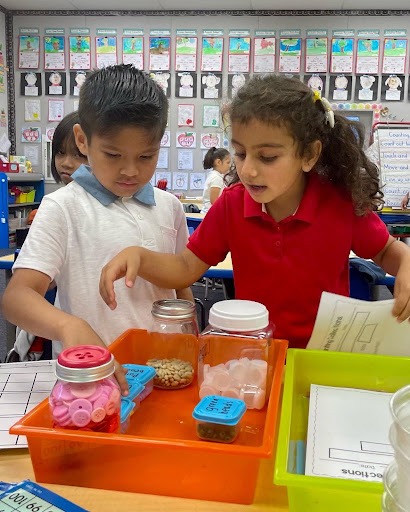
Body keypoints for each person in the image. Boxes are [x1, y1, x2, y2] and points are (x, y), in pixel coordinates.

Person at [99, 74, 410, 350]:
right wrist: (139, 258)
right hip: (254, 354)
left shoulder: (339, 204)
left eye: (268, 157)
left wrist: (406, 263)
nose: (248, 170)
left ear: (309, 155)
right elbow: (185, 267)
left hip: (322, 356)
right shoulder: (232, 205)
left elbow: (386, 251)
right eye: (240, 153)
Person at [1, 64, 193, 393]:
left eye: (147, 156)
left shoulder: (169, 207)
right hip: (94, 380)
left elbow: (179, 285)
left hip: (165, 373)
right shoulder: (63, 207)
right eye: (113, 154)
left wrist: (192, 338)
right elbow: (17, 297)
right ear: (83, 141)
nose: (130, 170)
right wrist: (68, 325)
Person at [201, 147, 231, 214]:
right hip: (210, 214)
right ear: (218, 162)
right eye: (228, 162)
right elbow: (214, 201)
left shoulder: (215, 175)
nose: (229, 166)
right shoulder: (216, 178)